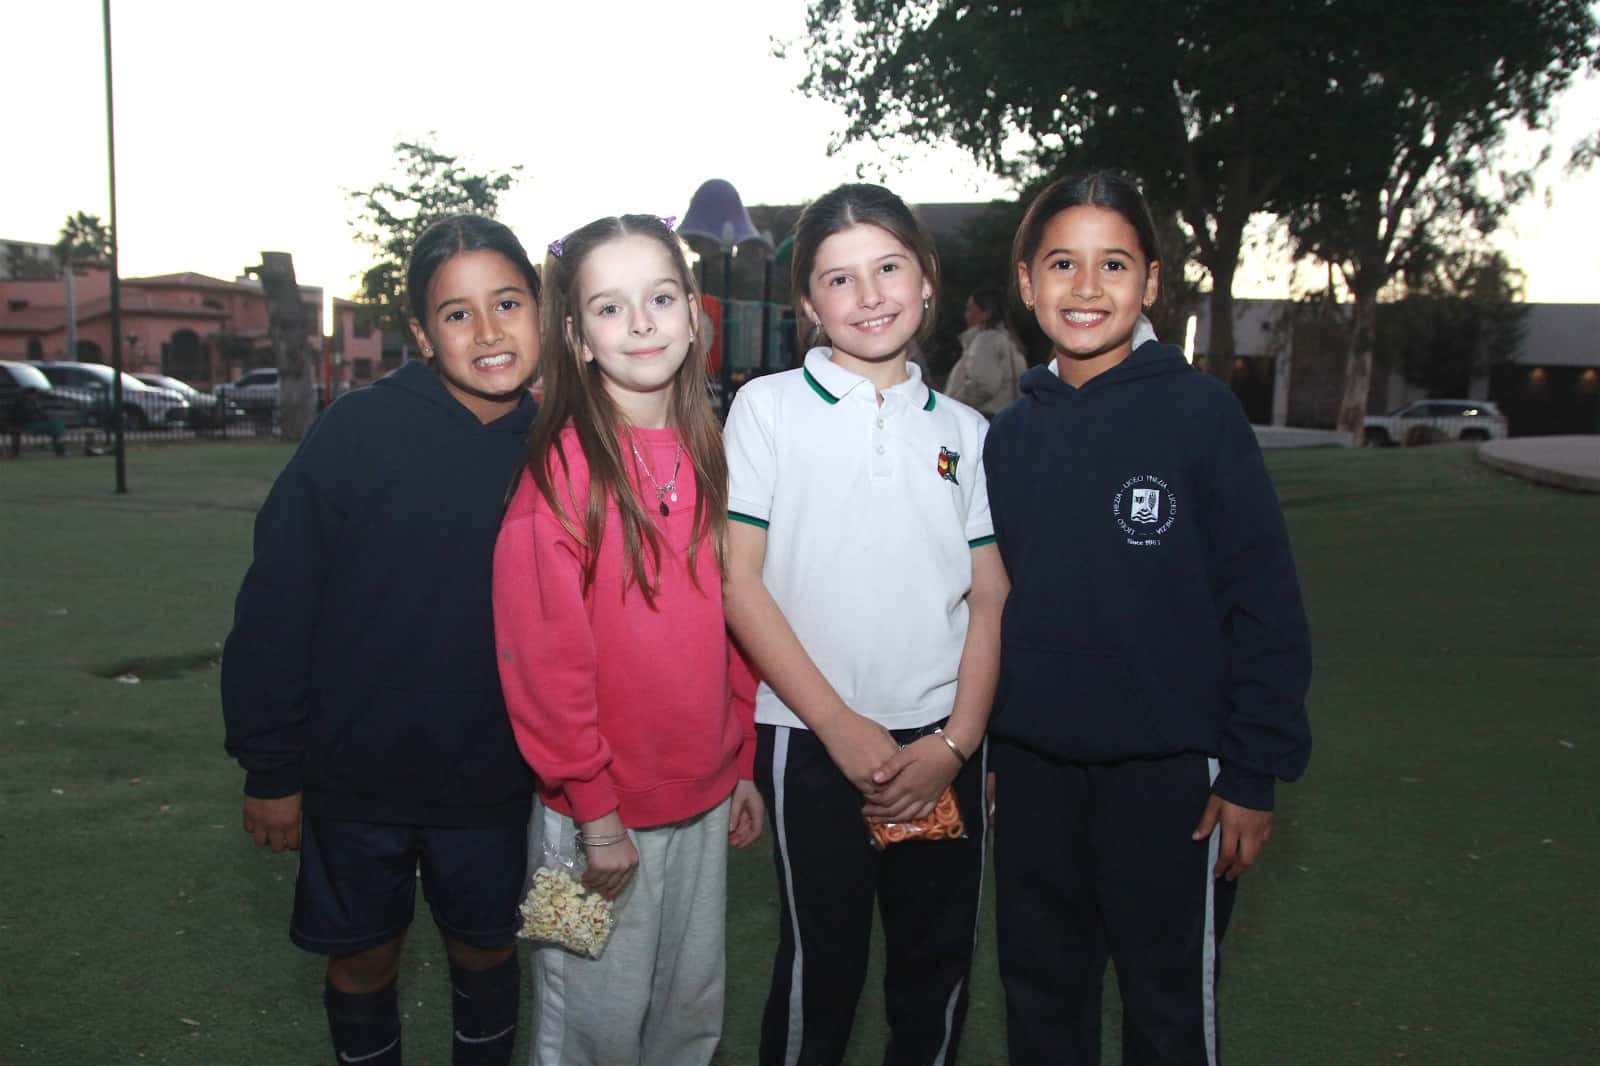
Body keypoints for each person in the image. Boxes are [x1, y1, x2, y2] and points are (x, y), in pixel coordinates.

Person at [982, 170, 1313, 1066]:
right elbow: (996, 611)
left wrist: (1252, 770)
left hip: (1176, 787)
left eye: (1114, 264)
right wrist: (997, 748)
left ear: (1152, 283)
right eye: (1062, 263)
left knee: (1167, 1016)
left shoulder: (1201, 414)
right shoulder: (1006, 438)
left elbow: (1264, 600)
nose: (1087, 288)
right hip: (1038, 783)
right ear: (1026, 283)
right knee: (1042, 1005)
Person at [222, 214, 542, 1066]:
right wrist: (271, 767)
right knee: (364, 958)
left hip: (494, 776)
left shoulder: (558, 445)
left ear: (541, 311)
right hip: (355, 775)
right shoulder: (358, 431)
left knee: (488, 948)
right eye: (457, 313)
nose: (488, 330)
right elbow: (278, 601)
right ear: (420, 332)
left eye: (507, 302)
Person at [722, 183, 1008, 1066]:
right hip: (812, 741)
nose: (871, 294)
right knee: (822, 968)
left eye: (888, 267)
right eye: (840, 280)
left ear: (926, 278)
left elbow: (989, 595)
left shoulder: (967, 430)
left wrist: (956, 744)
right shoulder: (766, 409)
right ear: (809, 302)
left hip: (942, 748)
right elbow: (738, 581)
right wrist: (839, 726)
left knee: (935, 966)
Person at [492, 213, 764, 1066]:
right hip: (599, 824)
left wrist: (742, 764)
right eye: (610, 308)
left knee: (688, 1018)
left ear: (694, 313)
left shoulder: (712, 452)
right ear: (575, 336)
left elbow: (732, 622)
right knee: (594, 1035)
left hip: (704, 796)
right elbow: (544, 667)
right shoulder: (562, 474)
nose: (641, 322)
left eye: (658, 296)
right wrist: (596, 814)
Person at [944, 286, 1028, 417]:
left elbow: (984, 385)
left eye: (970, 309)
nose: (966, 315)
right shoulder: (1009, 340)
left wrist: (952, 405)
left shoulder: (987, 340)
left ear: (986, 313)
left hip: (985, 417)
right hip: (1005, 415)